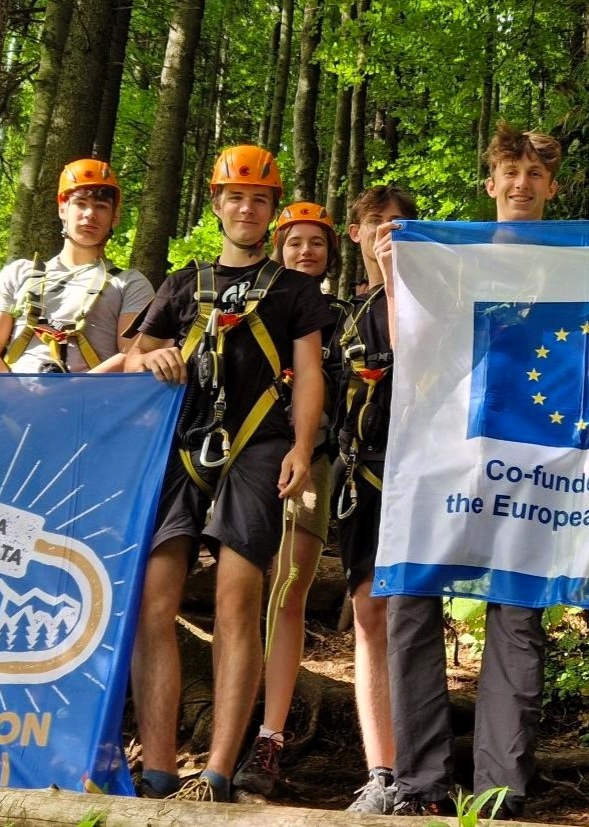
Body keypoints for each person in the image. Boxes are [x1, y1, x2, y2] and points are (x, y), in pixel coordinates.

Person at [124, 145, 334, 803]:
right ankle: (157, 766)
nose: (246, 208)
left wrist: (302, 446)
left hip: (259, 449)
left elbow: (309, 374)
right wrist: (149, 358)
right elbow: (139, 347)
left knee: (236, 597)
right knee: (155, 600)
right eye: (235, 197)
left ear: (271, 213)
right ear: (216, 204)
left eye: (259, 199)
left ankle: (216, 768)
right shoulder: (183, 283)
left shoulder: (295, 291)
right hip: (184, 449)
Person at [379, 124, 562, 818]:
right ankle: (421, 780)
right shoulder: (450, 257)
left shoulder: (580, 260)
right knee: (410, 603)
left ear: (551, 186)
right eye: (508, 173)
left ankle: (497, 791)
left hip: (531, 461)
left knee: (515, 615)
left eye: (533, 175)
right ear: (489, 184)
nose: (520, 185)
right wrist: (396, 271)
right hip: (440, 451)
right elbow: (409, 343)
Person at [231, 201, 350, 798]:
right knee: (239, 591)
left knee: (289, 587)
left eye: (317, 244)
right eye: (295, 242)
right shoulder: (249, 303)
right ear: (277, 247)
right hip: (240, 459)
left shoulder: (344, 317)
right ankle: (228, 731)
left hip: (314, 458)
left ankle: (270, 736)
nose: (306, 252)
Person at [328, 183, 418, 815]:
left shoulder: (425, 298)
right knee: (368, 614)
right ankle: (380, 769)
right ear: (354, 233)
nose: (387, 230)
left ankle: (423, 766)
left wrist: (396, 278)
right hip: (360, 478)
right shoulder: (336, 315)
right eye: (376, 222)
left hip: (418, 476)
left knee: (413, 616)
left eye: (399, 223)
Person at [0, 158, 151, 374]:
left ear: (114, 217)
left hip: (90, 402)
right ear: (63, 209)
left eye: (101, 206)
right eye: (80, 204)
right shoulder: (18, 274)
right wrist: (12, 396)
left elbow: (134, 356)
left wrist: (69, 394)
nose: (90, 214)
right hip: (15, 401)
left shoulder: (130, 283)